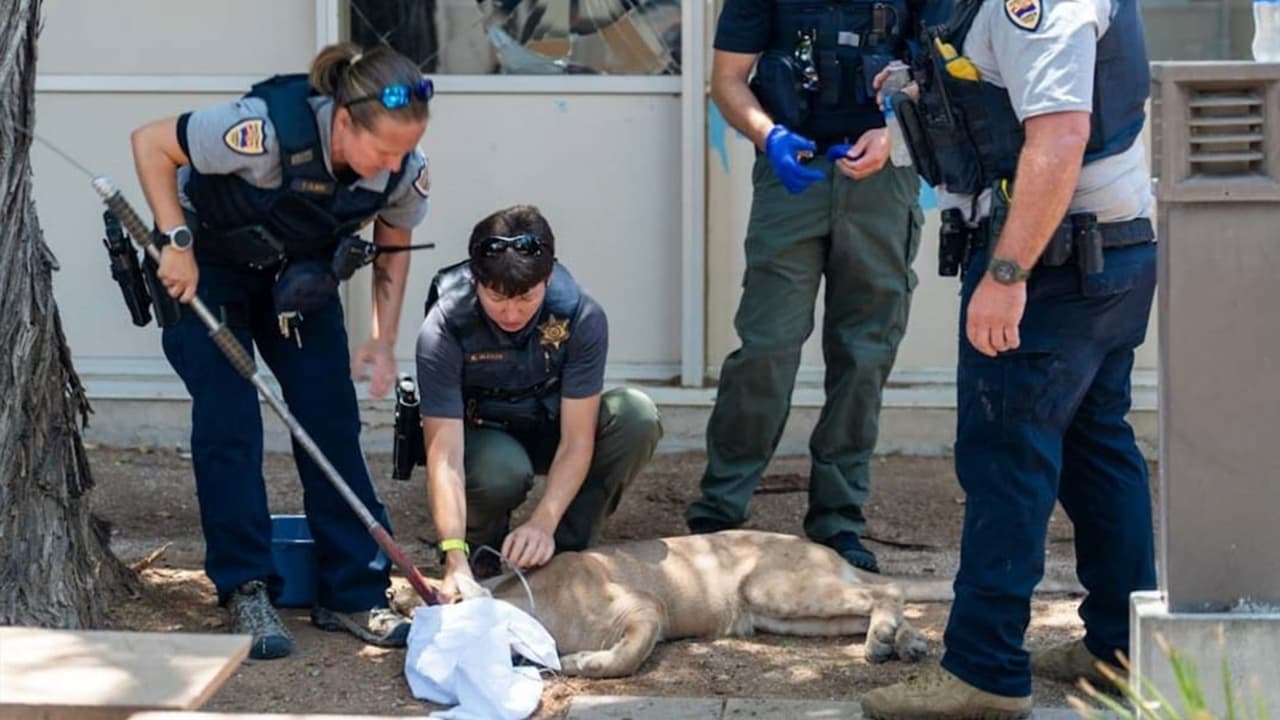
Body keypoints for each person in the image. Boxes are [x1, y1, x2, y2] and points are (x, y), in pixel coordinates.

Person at [860, 0, 1157, 712]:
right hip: (1103, 254)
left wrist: (1006, 275)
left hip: (1052, 266)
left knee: (1005, 462)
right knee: (1096, 450)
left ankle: (983, 673)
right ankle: (1120, 649)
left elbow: (1058, 138)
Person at [130, 43, 435, 659]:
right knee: (230, 421)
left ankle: (352, 591)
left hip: (299, 277)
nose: (391, 165)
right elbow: (151, 142)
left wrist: (383, 336)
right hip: (210, 267)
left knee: (329, 422)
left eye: (404, 151)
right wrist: (176, 240)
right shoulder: (262, 130)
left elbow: (393, 244)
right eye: (382, 150)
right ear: (344, 122)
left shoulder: (402, 168)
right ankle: (246, 585)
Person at [684, 0, 932, 574]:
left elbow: (946, 72)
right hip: (791, 175)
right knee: (767, 346)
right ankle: (720, 510)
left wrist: (893, 133)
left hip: (883, 181)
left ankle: (838, 520)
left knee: (864, 354)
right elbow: (727, 80)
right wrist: (767, 134)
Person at [414, 205, 663, 602]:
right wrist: (452, 554)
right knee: (501, 470)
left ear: (547, 280)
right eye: (496, 298)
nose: (511, 313)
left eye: (526, 298)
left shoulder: (582, 317)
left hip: (554, 426)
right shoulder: (444, 327)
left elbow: (577, 441)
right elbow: (444, 456)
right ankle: (479, 552)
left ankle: (564, 549)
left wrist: (543, 522)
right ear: (476, 280)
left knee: (636, 415)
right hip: (486, 438)